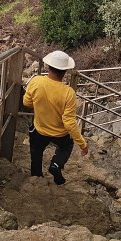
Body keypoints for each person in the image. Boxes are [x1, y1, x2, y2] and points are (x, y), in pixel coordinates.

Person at [23, 50, 88, 185]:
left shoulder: (36, 82)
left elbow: (26, 103)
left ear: (48, 66)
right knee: (66, 146)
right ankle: (56, 165)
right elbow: (69, 122)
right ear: (65, 72)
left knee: (36, 150)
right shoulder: (68, 92)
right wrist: (82, 144)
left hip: (40, 129)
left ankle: (36, 176)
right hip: (60, 133)